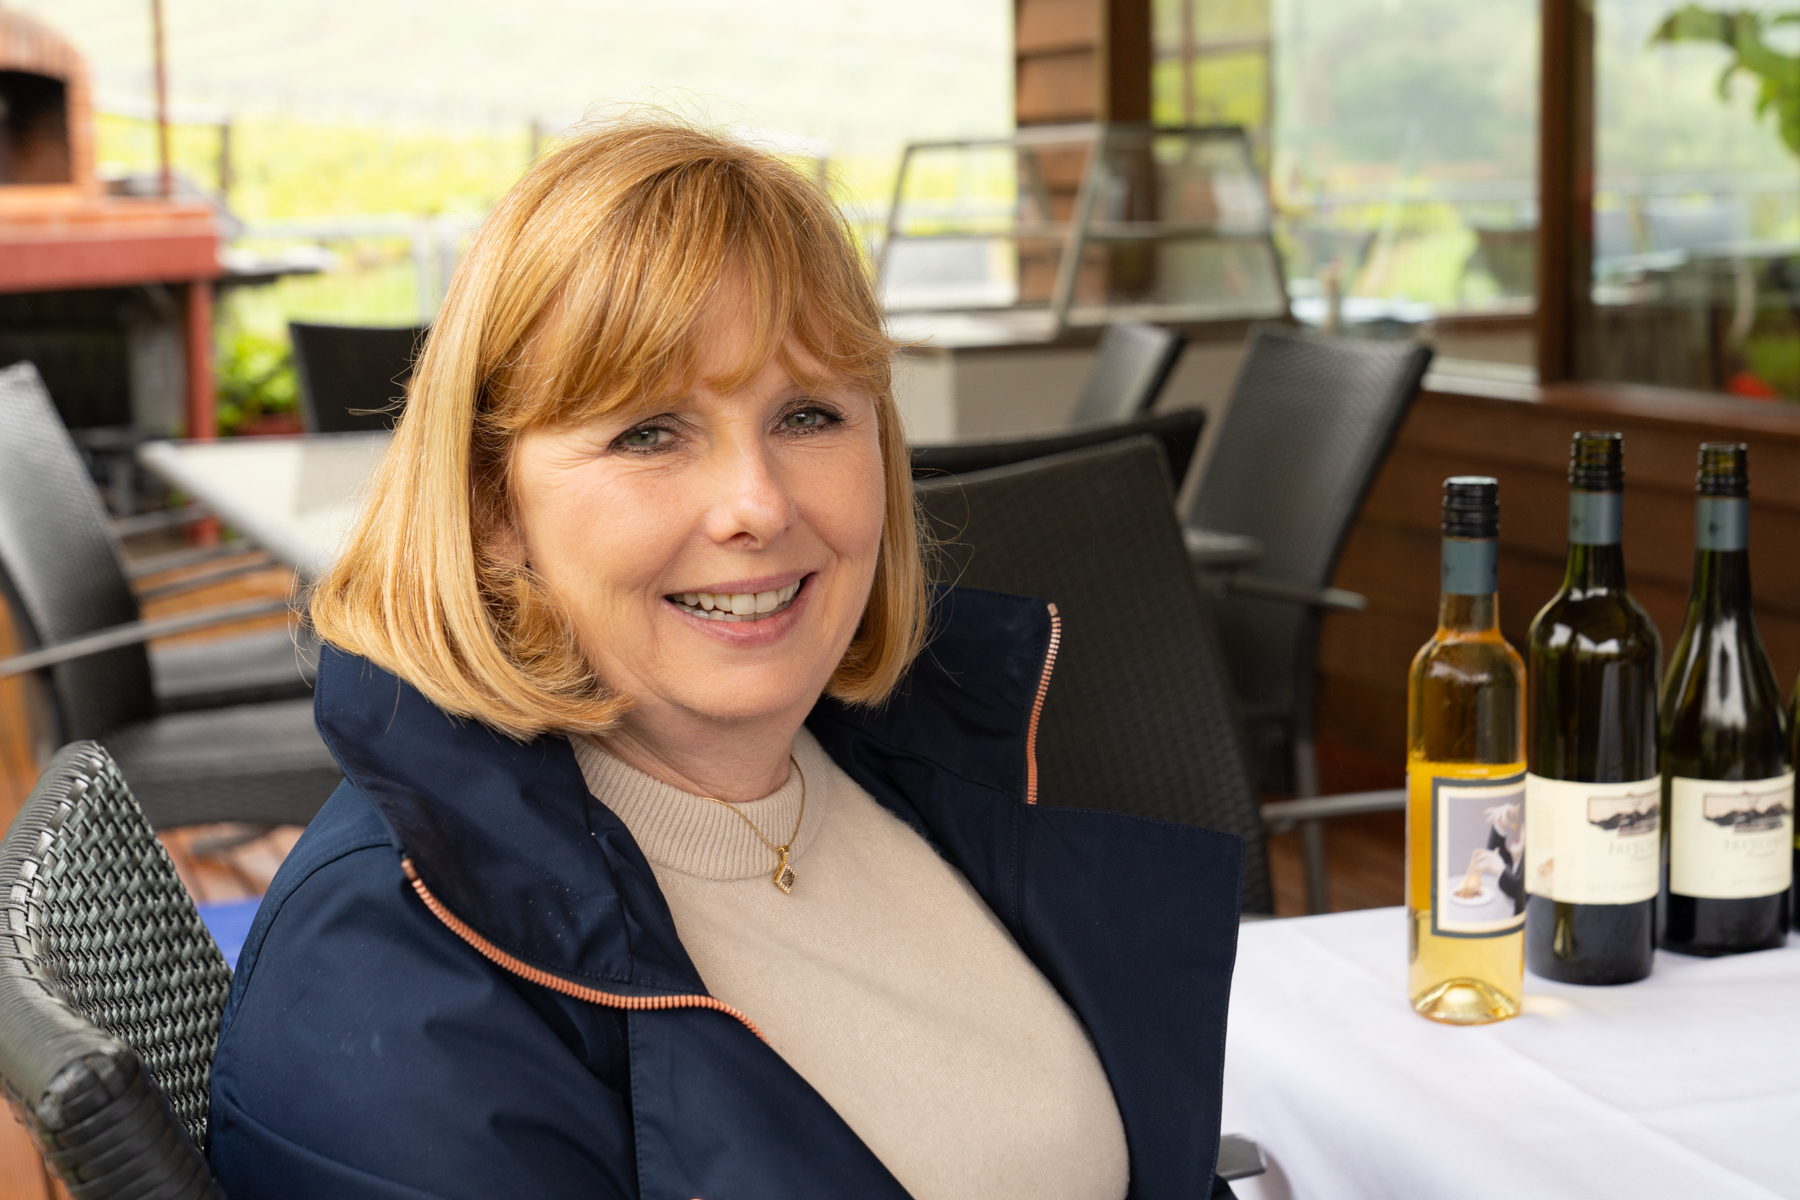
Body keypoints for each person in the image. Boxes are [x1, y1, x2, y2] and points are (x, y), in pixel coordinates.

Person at [207, 119, 1243, 1200]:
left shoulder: (930, 767)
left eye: (807, 414)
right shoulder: (392, 975)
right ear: (490, 506)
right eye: (650, 432)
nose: (758, 504)